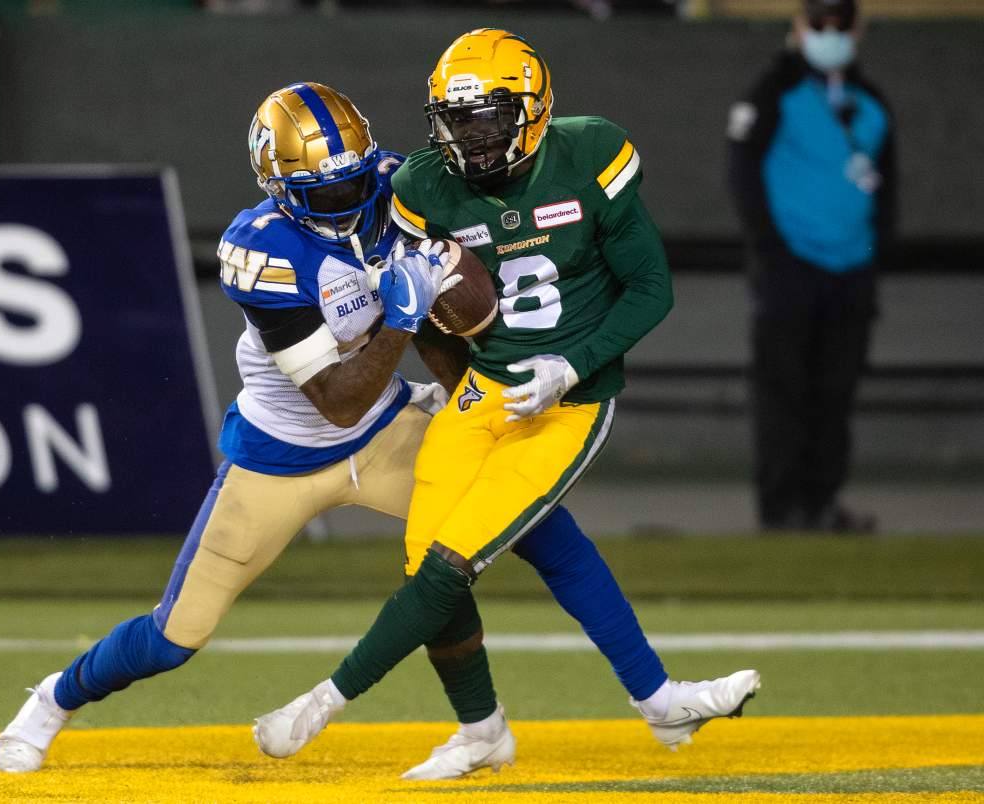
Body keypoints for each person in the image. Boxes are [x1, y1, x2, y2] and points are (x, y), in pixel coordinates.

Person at [0, 81, 669, 780]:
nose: (347, 201)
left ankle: (506, 721)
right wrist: (401, 315)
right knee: (175, 636)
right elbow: (337, 400)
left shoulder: (400, 185)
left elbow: (447, 316)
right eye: (324, 190)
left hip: (383, 432)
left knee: (525, 527)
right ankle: (52, 700)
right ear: (278, 185)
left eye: (354, 182)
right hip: (281, 455)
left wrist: (458, 378)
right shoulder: (260, 250)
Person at [253, 29, 761, 769]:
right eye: (459, 121)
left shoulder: (591, 154)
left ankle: (322, 703)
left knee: (449, 565)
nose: (475, 137)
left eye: (490, 117)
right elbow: (432, 301)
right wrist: (445, 371)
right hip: (484, 389)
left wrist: (573, 364)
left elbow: (653, 288)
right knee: (431, 556)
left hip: (572, 397)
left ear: (531, 106)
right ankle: (495, 729)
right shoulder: (423, 187)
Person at [727, 0, 895, 533]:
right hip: (789, 269)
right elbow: (741, 171)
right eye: (818, 23)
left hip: (852, 271)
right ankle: (781, 510)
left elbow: (889, 190)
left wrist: (875, 254)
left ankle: (823, 504)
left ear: (857, 30)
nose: (829, 33)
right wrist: (770, 248)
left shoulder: (871, 104)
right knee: (783, 388)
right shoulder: (771, 91)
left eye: (839, 24)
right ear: (798, 28)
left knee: (835, 392)